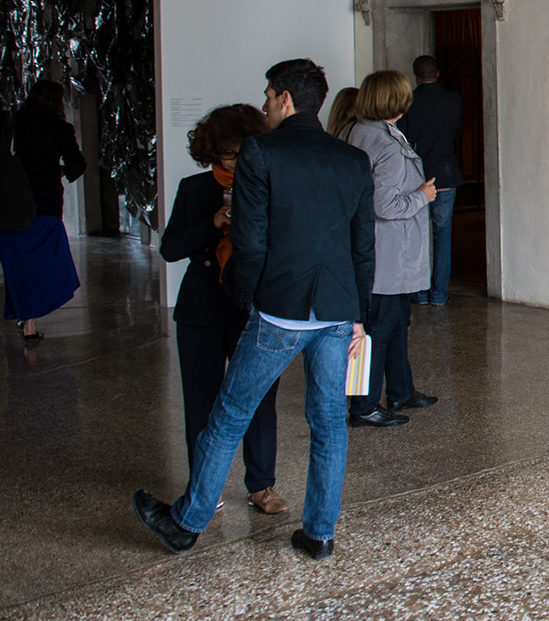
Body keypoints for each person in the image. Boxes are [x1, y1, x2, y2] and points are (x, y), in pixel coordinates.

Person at [134, 58, 373, 561]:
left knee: (228, 415)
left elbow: (250, 240)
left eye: (268, 96)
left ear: (285, 99)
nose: (264, 105)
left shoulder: (262, 152)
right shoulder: (351, 159)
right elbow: (362, 246)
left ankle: (186, 522)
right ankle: (320, 534)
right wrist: (358, 316)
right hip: (335, 312)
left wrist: (247, 298)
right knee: (329, 423)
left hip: (280, 310)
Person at [158, 104, 286, 515]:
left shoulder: (268, 184)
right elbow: (170, 248)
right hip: (200, 309)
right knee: (201, 400)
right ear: (212, 151)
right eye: (227, 154)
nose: (235, 161)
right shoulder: (195, 188)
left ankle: (261, 485)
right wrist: (212, 223)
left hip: (251, 307)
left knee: (259, 398)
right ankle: (203, 487)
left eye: (242, 152)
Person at [346, 69, 437, 426]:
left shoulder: (360, 131)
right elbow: (385, 205)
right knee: (381, 329)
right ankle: (365, 406)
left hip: (379, 251)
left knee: (397, 323)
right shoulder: (385, 143)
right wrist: (423, 196)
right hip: (387, 253)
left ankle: (401, 390)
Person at [0, 76, 85, 343]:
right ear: (57, 102)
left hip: (6, 205)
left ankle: (24, 316)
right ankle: (29, 324)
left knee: (17, 265)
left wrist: (11, 166)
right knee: (41, 265)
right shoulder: (59, 128)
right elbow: (77, 165)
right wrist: (57, 170)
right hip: (44, 206)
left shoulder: (6, 121)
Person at [398, 55, 462, 305]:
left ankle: (420, 292)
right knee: (443, 235)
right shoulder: (453, 99)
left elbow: (404, 139)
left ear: (415, 76)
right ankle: (439, 293)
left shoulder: (409, 101)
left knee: (418, 236)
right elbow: (456, 134)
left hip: (417, 177)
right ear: (437, 74)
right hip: (446, 174)